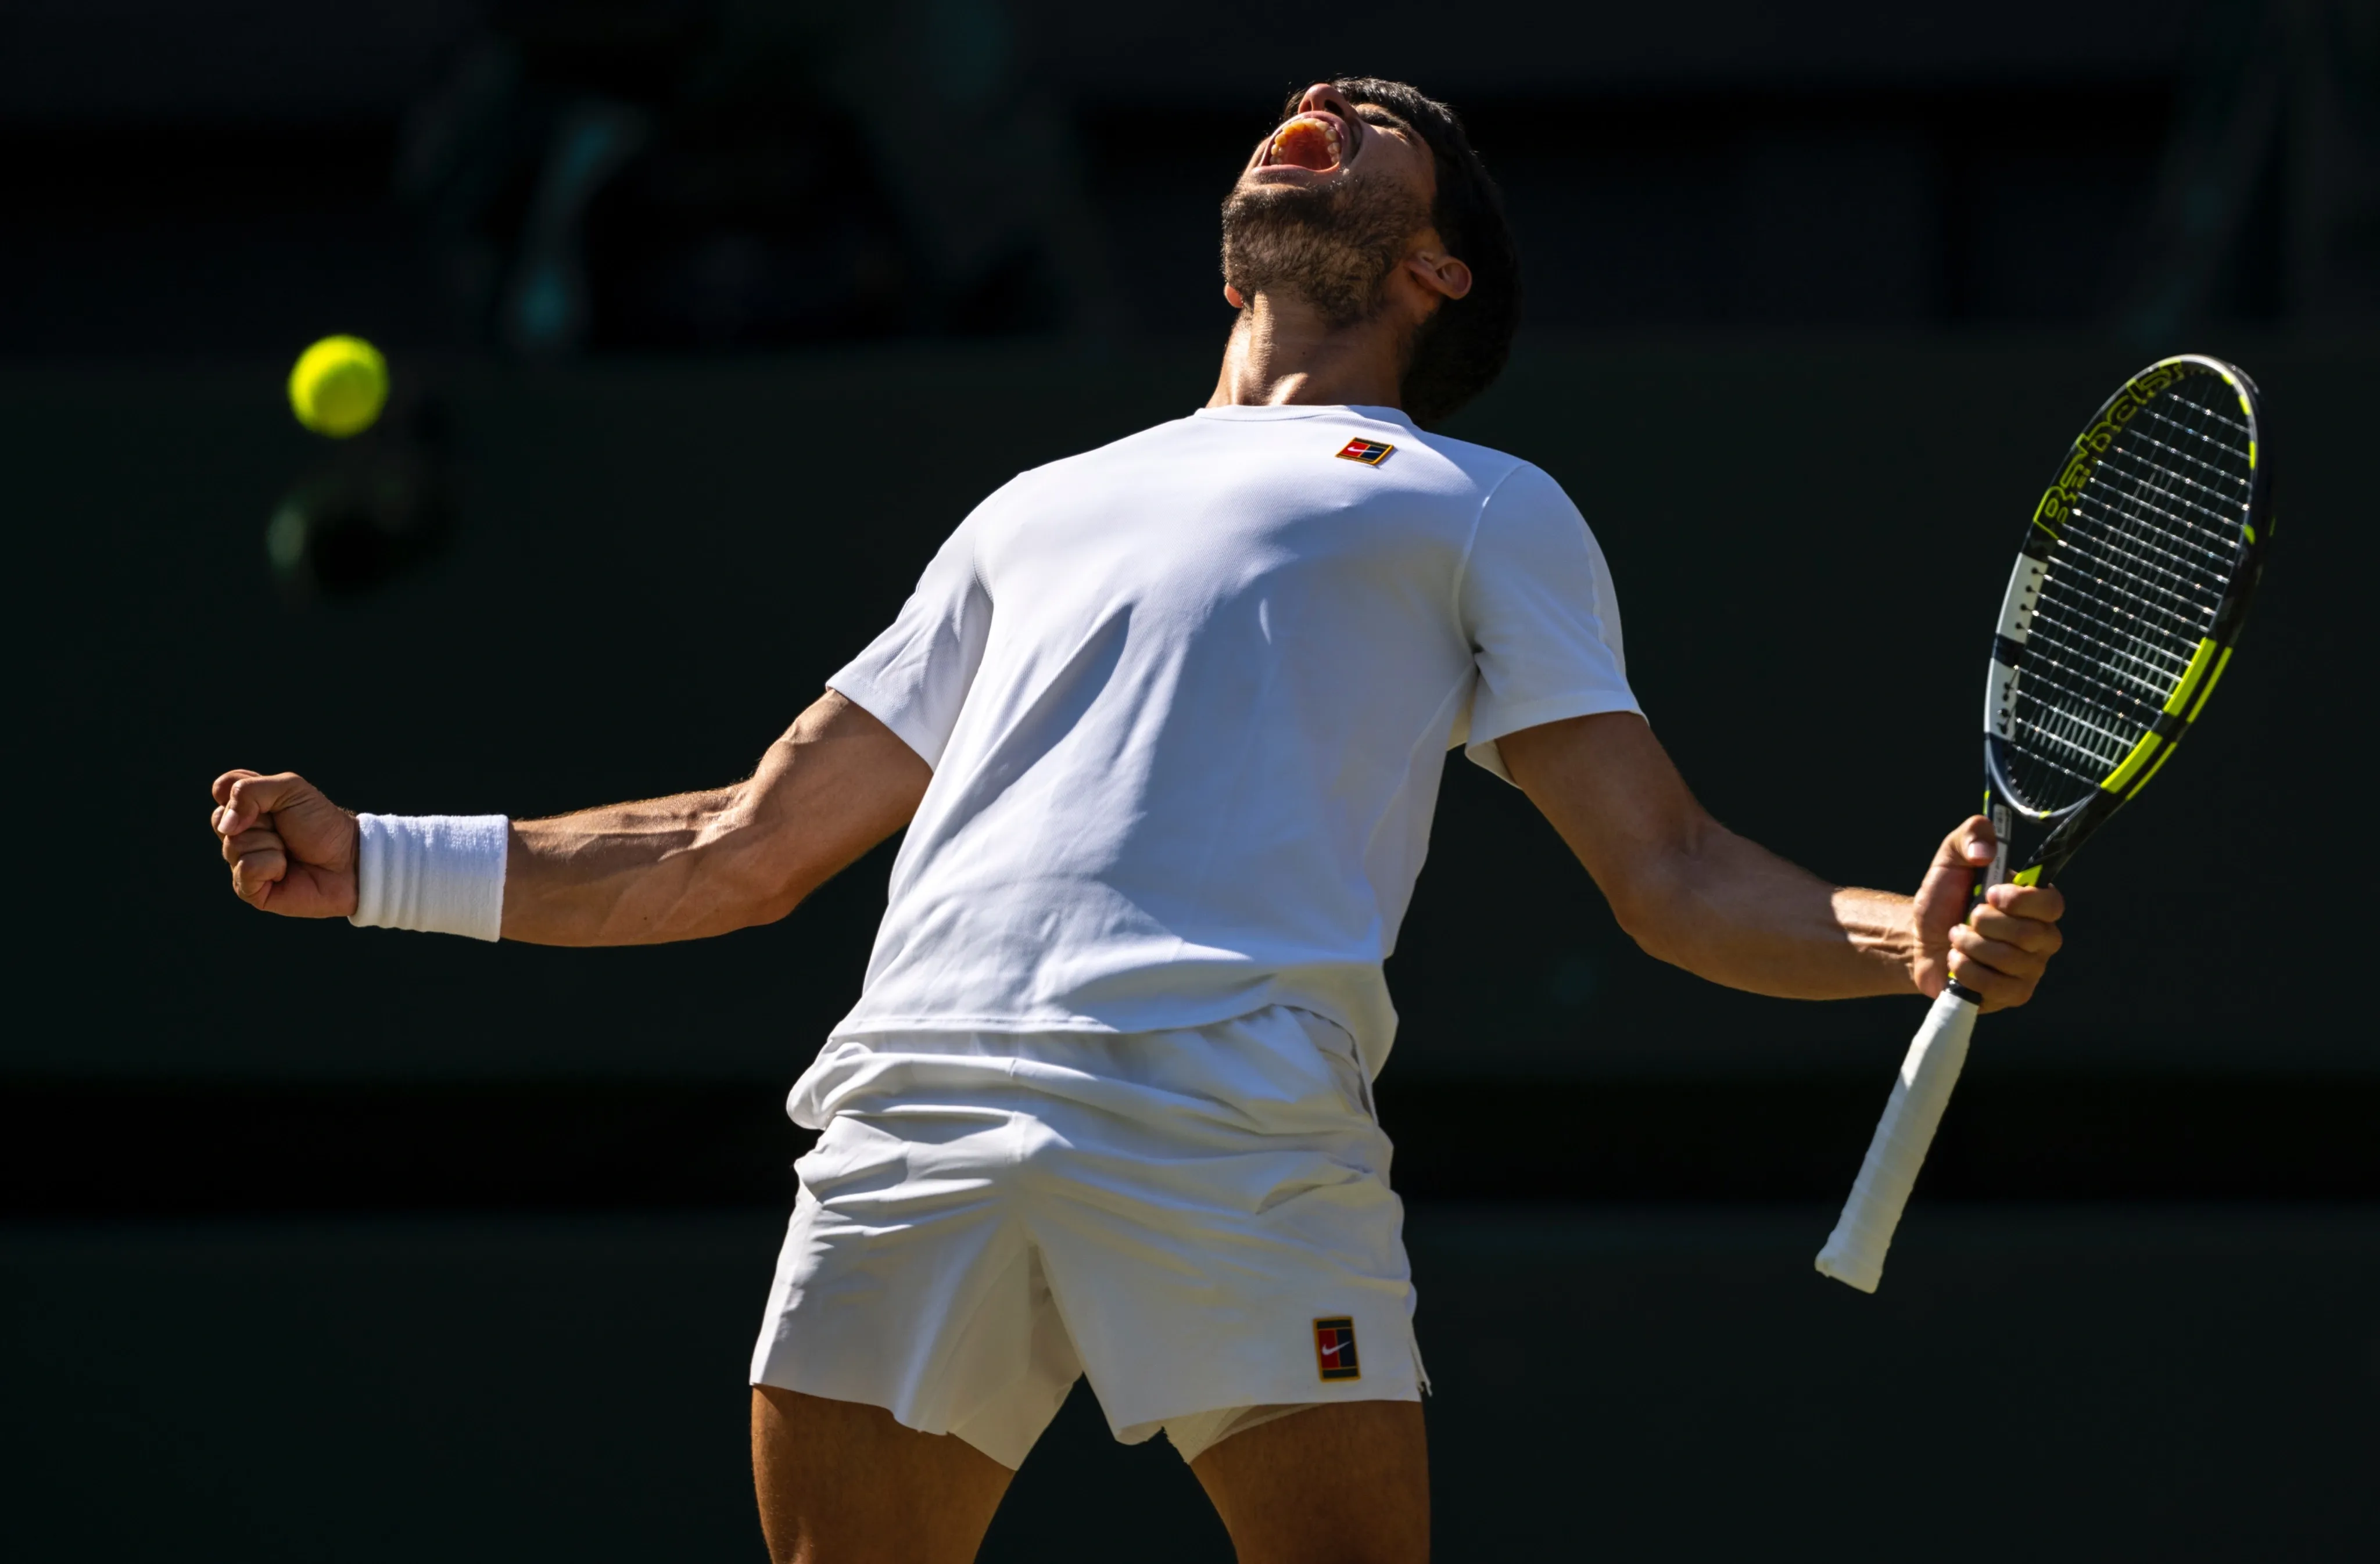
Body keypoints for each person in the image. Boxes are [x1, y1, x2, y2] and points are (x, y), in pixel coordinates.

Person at [207, 78, 2067, 1564]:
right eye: (1311, 93)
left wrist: (1905, 940)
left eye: (1382, 111)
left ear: (1437, 271)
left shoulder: (1475, 502)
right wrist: (372, 860)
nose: (1320, 96)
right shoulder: (1037, 506)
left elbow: (1666, 874)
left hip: (1228, 1116)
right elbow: (739, 843)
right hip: (914, 1104)